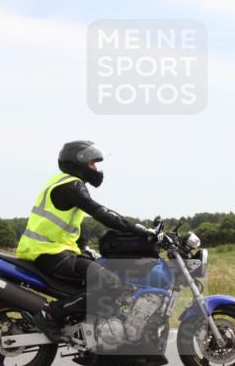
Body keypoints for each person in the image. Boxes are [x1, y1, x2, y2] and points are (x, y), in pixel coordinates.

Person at [17, 140, 155, 343]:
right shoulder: (71, 186)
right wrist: (138, 230)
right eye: (92, 163)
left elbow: (71, 226)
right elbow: (101, 213)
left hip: (54, 251)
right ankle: (50, 315)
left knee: (105, 276)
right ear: (79, 162)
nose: (96, 169)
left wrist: (83, 249)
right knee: (111, 284)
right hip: (48, 252)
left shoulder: (62, 184)